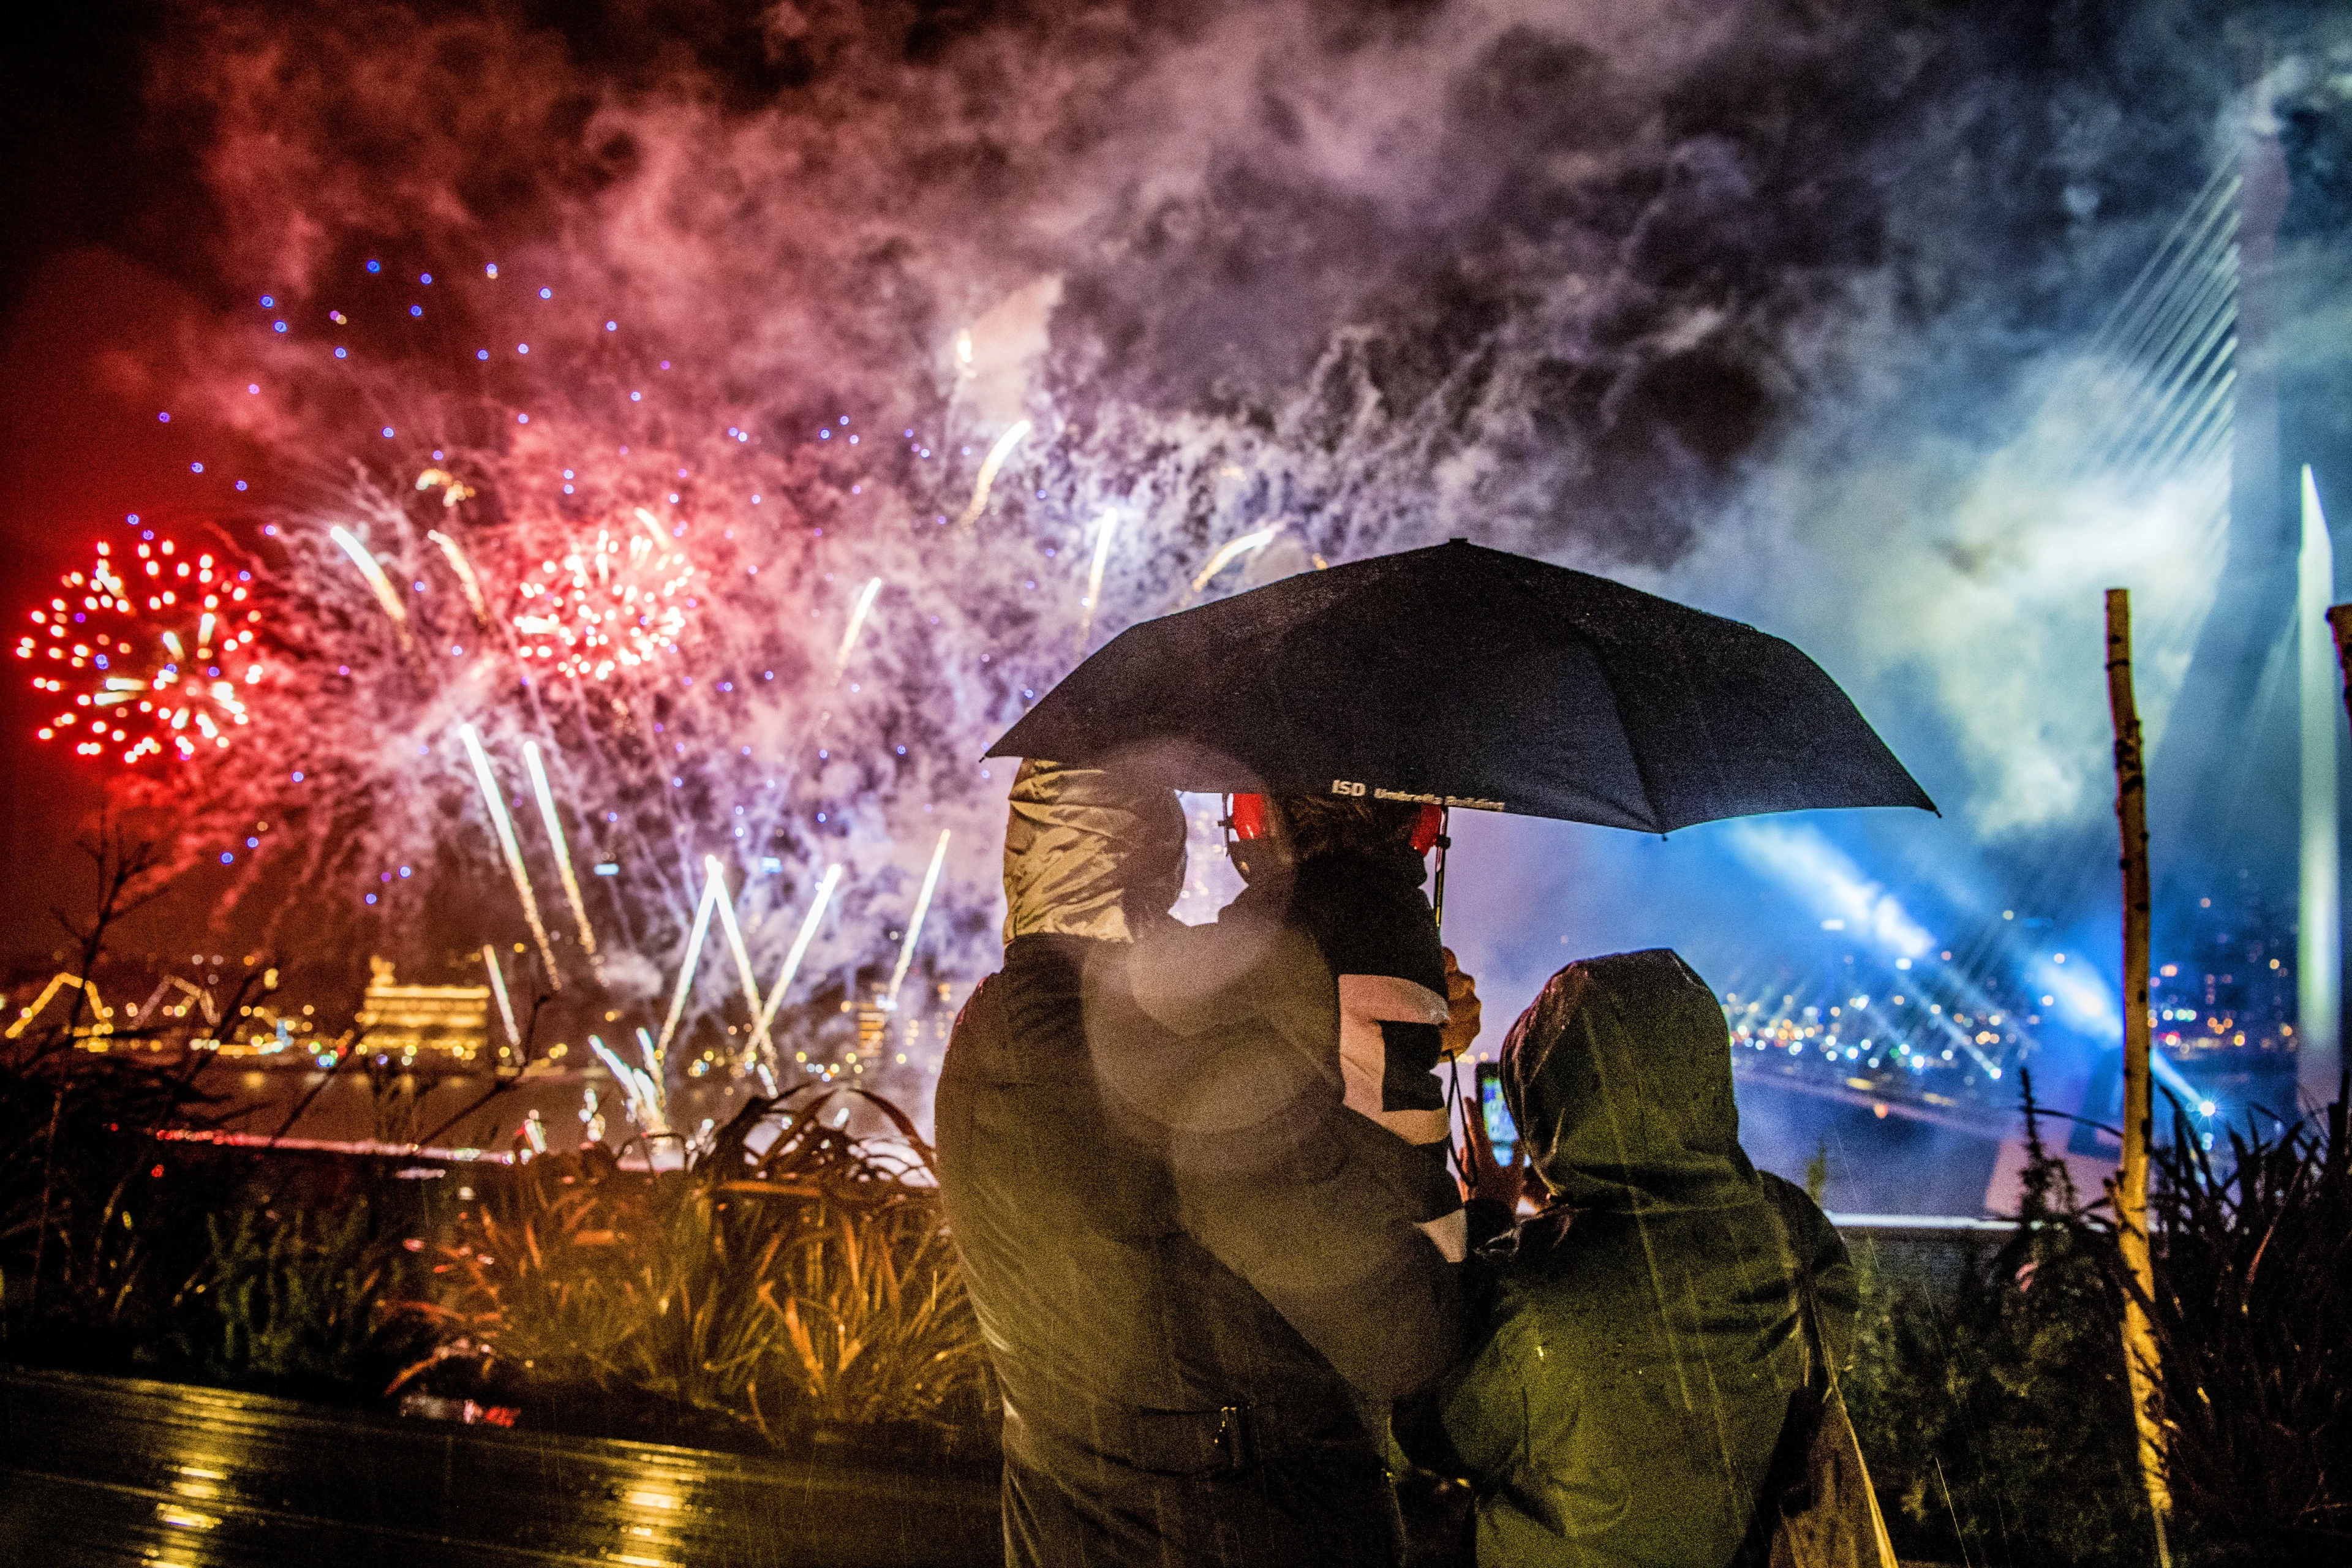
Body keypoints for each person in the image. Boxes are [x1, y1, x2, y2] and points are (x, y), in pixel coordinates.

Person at [935, 761, 1476, 1567]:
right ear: (1153, 851)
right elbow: (1387, 1327)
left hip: (1069, 1521)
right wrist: (1371, 1002)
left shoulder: (1001, 1022)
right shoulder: (1120, 1035)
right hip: (1221, 1522)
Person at [1402, 949, 1860, 1568]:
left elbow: (1425, 1425)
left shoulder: (1532, 1296)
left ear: (1548, 1101)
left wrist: (1488, 1212)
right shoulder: (1793, 1228)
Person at [1220, 792, 1484, 1261]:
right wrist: (1497, 1210)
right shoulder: (1400, 938)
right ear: (1426, 826)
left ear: (1250, 818)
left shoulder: (1204, 976)